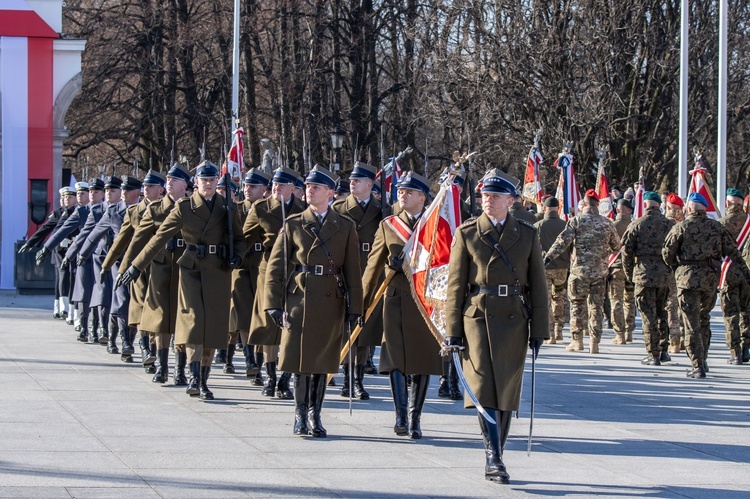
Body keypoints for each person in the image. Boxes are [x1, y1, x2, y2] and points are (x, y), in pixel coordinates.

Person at [444, 168, 548, 484]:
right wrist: (452, 330)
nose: (488, 201)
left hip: (515, 319)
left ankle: (497, 450)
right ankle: (493, 456)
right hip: (477, 316)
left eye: (495, 196)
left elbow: (538, 286)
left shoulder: (528, 234)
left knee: (506, 389)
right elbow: (455, 286)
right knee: (483, 386)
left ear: (511, 200)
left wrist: (540, 330)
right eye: (485, 196)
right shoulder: (467, 233)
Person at [118, 161, 245, 399]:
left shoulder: (227, 207)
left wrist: (237, 257)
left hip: (219, 271)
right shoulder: (185, 208)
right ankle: (194, 377)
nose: (208, 184)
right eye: (203, 180)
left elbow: (239, 238)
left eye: (211, 180)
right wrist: (135, 267)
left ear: (217, 181)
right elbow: (158, 238)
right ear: (195, 183)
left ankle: (204, 379)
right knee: (194, 323)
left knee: (214, 327)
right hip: (192, 270)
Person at [264, 166, 363, 437]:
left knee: (323, 362)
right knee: (300, 362)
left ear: (330, 193)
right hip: (300, 300)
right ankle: (299, 414)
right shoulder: (294, 223)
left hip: (331, 300)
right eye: (308, 186)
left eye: (317, 187)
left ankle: (315, 415)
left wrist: (356, 309)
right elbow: (277, 268)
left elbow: (353, 272)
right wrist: (272, 303)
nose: (310, 190)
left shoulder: (344, 226)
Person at [361, 171, 443, 439]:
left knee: (421, 361)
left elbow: (444, 266)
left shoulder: (436, 226)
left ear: (422, 197)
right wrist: (360, 305)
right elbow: (372, 267)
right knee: (395, 358)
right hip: (395, 299)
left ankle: (415, 417)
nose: (402, 195)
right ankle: (400, 414)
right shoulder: (389, 225)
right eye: (400, 191)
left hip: (424, 302)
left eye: (409, 192)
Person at [662, 193, 750, 378]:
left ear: (690, 208)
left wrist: (678, 268)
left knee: (691, 323)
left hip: (687, 280)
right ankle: (703, 359)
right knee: (704, 319)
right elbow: (733, 252)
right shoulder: (716, 227)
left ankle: (697, 365)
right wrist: (746, 273)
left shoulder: (681, 227)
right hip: (710, 279)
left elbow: (667, 253)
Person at [121, 163, 192, 385]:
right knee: (161, 319)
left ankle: (180, 369)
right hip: (160, 267)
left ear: (185, 185)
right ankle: (161, 366)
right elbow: (138, 242)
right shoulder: (155, 209)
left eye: (174, 180)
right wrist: (126, 268)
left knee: (183, 318)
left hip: (184, 266)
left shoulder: (192, 208)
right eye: (168, 180)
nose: (169, 183)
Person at [245, 167, 306, 399]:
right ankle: (270, 376)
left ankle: (285, 378)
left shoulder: (302, 210)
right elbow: (245, 238)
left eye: (282, 185)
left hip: (293, 272)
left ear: (293, 188)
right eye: (274, 185)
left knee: (290, 324)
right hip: (268, 269)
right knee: (269, 324)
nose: (276, 188)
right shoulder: (260, 209)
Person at [102, 171, 165, 370]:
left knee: (158, 311)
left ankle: (155, 352)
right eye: (145, 186)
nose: (146, 189)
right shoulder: (134, 212)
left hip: (162, 267)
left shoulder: (171, 210)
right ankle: (145, 348)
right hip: (138, 269)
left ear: (160, 189)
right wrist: (108, 265)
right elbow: (121, 242)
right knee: (138, 307)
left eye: (151, 186)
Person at [331, 162, 384, 400]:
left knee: (365, 327)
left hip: (371, 272)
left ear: (370, 184)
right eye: (351, 180)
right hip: (346, 271)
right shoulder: (339, 207)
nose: (352, 183)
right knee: (346, 326)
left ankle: (358, 379)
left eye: (358, 180)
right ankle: (345, 376)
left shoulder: (381, 209)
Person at [545, 189, 620, 353]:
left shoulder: (576, 221)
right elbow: (616, 246)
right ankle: (595, 343)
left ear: (584, 203)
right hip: (599, 273)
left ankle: (577, 341)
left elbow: (562, 242)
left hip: (579, 272)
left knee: (577, 306)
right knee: (596, 307)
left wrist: (548, 258)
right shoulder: (607, 223)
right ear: (598, 204)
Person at [78, 176, 144, 361]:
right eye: (121, 189)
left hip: (142, 263)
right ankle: (124, 342)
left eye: (127, 190)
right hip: (120, 263)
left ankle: (131, 340)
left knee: (137, 303)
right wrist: (83, 254)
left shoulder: (146, 209)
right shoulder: (114, 211)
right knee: (122, 299)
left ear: (137, 192)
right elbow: (95, 233)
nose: (123, 193)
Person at [621, 191, 674, 365]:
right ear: (660, 205)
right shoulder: (670, 225)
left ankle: (653, 354)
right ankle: (664, 350)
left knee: (647, 315)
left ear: (645, 205)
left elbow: (626, 253)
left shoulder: (637, 224)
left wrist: (630, 275)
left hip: (643, 273)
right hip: (664, 274)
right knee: (661, 312)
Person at [229, 168, 272, 379]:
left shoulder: (268, 209)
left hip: (262, 265)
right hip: (242, 267)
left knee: (261, 317)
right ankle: (250, 360)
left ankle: (260, 359)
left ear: (264, 189)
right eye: (246, 185)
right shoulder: (235, 209)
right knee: (244, 316)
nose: (247, 189)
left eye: (253, 186)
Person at [21, 186, 78, 319]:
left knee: (71, 278)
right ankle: (61, 308)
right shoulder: (58, 213)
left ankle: (68, 309)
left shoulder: (78, 212)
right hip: (59, 251)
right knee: (61, 278)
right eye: (63, 197)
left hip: (74, 249)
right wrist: (30, 242)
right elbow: (45, 229)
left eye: (69, 197)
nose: (66, 200)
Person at [718, 188, 750, 365]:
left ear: (728, 203)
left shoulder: (721, 223)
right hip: (748, 272)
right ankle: (746, 347)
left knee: (731, 313)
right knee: (747, 311)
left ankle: (735, 352)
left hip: (729, 273)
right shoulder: (749, 222)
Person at [535, 196, 569, 344]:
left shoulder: (538, 226)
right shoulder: (566, 225)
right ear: (558, 208)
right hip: (562, 267)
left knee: (547, 300)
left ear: (545, 208)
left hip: (545, 268)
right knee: (559, 298)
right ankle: (559, 329)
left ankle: (550, 332)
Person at [609, 198, 636, 344]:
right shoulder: (634, 225)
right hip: (631, 267)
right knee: (630, 300)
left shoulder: (612, 226)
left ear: (618, 210)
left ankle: (619, 333)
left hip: (616, 267)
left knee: (616, 300)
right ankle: (629, 331)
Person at [664, 193, 686, 354]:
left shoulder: (665, 224)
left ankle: (674, 341)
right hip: (686, 269)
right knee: (685, 305)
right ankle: (685, 338)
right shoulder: (687, 223)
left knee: (671, 306)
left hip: (670, 269)